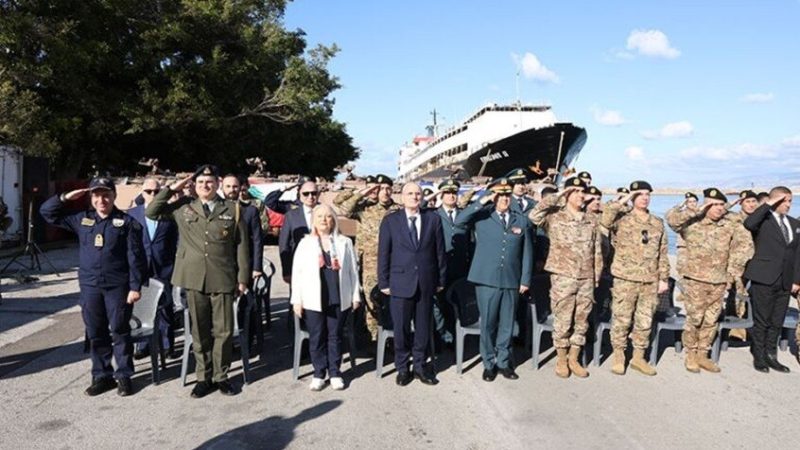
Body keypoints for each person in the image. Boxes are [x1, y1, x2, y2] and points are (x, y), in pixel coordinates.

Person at [146, 165, 250, 398]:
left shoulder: (232, 209)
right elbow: (152, 211)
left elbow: (242, 246)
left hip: (223, 277)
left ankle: (221, 376)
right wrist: (174, 187)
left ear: (218, 183)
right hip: (193, 278)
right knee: (199, 331)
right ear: (194, 184)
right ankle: (204, 377)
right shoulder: (183, 208)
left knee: (223, 332)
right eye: (201, 181)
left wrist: (242, 278)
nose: (205, 185)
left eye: (210, 182)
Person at [40, 177, 146, 397]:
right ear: (91, 198)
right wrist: (65, 197)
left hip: (117, 286)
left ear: (114, 196)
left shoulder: (127, 223)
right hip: (90, 286)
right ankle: (101, 375)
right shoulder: (82, 220)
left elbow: (136, 257)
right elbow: (47, 213)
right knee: (95, 331)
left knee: (119, 329)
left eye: (106, 194)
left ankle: (124, 376)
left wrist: (135, 287)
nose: (101, 200)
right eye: (96, 195)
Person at [666, 188, 753, 373]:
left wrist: (732, 271)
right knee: (695, 319)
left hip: (720, 281)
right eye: (715, 205)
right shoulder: (692, 223)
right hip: (695, 280)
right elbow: (672, 220)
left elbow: (745, 246)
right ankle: (690, 354)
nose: (720, 208)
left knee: (711, 320)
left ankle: (703, 354)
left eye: (722, 205)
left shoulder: (730, 224)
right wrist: (696, 210)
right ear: (706, 205)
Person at [455, 178, 533, 381]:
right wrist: (483, 200)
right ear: (494, 197)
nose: (504, 199)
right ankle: (488, 363)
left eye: (507, 195)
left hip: (511, 280)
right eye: (500, 195)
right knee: (488, 324)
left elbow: (527, 252)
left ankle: (504, 363)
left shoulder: (520, 220)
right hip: (486, 279)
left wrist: (525, 280)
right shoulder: (482, 217)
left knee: (508, 325)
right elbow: (460, 220)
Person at [529, 177, 602, 378]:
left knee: (582, 320)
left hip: (586, 277)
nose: (581, 195)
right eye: (576, 191)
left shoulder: (591, 219)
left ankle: (574, 358)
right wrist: (559, 194)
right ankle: (561, 359)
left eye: (583, 191)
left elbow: (596, 249)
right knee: (562, 320)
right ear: (568, 193)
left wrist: (596, 275)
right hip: (563, 276)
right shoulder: (555, 217)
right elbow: (534, 215)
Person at [378, 182, 446, 386]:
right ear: (402, 196)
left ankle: (419, 366)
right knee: (401, 329)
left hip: (426, 282)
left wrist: (441, 279)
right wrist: (384, 281)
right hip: (399, 282)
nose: (415, 197)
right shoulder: (391, 221)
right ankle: (402, 367)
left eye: (418, 194)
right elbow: (384, 253)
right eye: (410, 193)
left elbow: (439, 253)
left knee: (423, 327)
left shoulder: (433, 219)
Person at [600, 181, 670, 376]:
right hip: (625, 278)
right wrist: (626, 199)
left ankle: (638, 357)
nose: (645, 197)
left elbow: (662, 252)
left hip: (649, 279)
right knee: (621, 319)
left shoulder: (657, 222)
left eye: (648, 194)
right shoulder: (622, 218)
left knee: (645, 321)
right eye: (640, 194)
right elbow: (605, 219)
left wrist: (663, 278)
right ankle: (619, 356)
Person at [291, 205, 361, 391]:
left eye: (328, 217)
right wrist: (296, 300)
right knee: (317, 336)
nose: (324, 220)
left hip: (338, 295)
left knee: (335, 336)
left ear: (334, 220)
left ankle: (335, 372)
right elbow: (297, 273)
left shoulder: (344, 242)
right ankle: (319, 372)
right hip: (313, 297)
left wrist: (355, 295)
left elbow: (353, 272)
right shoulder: (305, 243)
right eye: (320, 216)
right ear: (314, 220)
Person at [743, 187, 800, 373]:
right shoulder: (763, 221)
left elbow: (797, 254)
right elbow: (749, 223)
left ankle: (771, 355)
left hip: (785, 280)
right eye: (785, 201)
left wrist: (796, 280)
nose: (789, 205)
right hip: (764, 277)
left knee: (776, 321)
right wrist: (768, 204)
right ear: (775, 201)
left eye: (791, 201)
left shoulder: (793, 223)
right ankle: (759, 356)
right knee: (762, 320)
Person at [339, 174, 401, 343]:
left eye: (389, 188)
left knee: (393, 302)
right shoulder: (365, 208)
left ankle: (392, 339)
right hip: (370, 264)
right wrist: (363, 191)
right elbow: (343, 208)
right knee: (371, 303)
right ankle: (374, 340)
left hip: (395, 264)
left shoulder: (398, 209)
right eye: (381, 189)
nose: (385, 192)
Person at [127, 177, 180, 360]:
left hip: (163, 267)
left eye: (156, 191)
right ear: (142, 193)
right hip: (140, 268)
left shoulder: (170, 214)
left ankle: (167, 345)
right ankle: (143, 345)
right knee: (141, 306)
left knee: (165, 307)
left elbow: (176, 241)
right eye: (148, 191)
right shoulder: (132, 214)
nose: (152, 194)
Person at [278, 180, 319, 285]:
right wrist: (286, 271)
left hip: (322, 267)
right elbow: (284, 244)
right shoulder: (291, 215)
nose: (310, 197)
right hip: (298, 267)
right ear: (299, 195)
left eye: (314, 193)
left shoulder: (326, 212)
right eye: (306, 194)